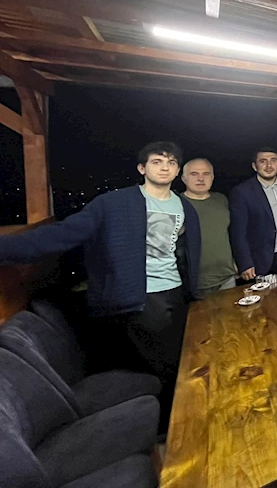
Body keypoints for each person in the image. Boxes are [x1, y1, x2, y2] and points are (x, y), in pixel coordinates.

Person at [0, 141, 200, 435]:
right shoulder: (113, 204)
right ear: (142, 168)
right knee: (168, 367)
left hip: (176, 291)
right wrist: (6, 248)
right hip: (140, 297)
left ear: (178, 170)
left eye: (171, 162)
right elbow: (64, 233)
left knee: (185, 358)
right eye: (157, 161)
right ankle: (174, 431)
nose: (164, 167)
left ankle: (181, 422)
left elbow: (184, 253)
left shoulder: (184, 207)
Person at [229, 148, 277, 279]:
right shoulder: (242, 192)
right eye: (263, 161)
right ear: (254, 166)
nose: (269, 166)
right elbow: (238, 232)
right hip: (261, 258)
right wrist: (244, 263)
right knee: (267, 292)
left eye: (273, 160)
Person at [182, 157, 237, 298]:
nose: (201, 179)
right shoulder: (177, 204)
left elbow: (232, 234)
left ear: (212, 177)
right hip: (195, 284)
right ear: (183, 178)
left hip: (227, 278)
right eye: (194, 174)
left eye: (206, 174)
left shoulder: (221, 199)